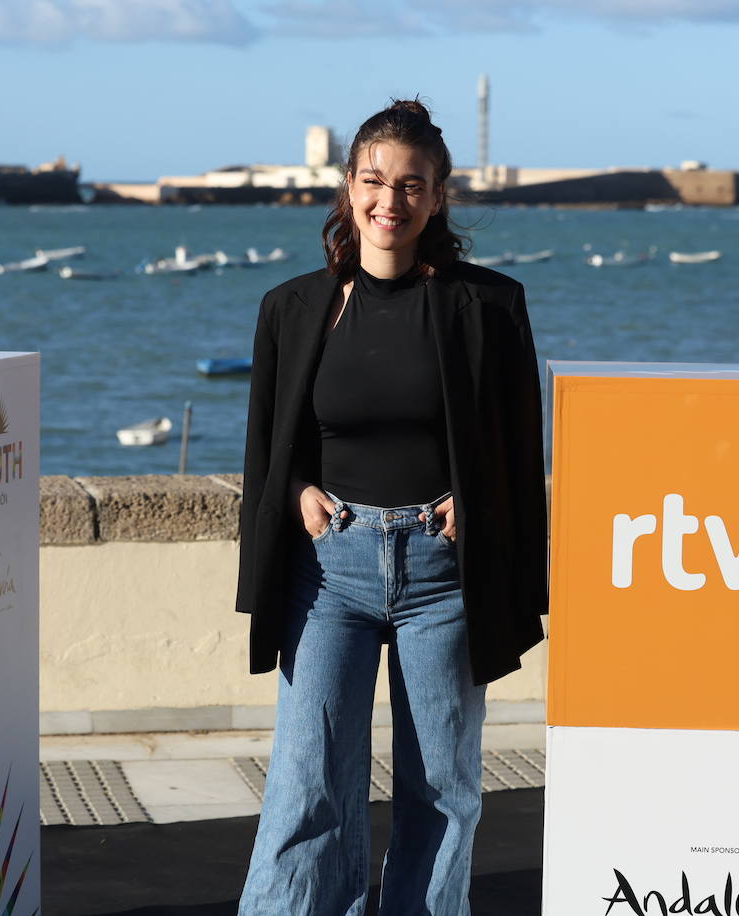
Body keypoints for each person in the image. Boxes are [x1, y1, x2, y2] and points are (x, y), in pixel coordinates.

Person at [235, 98, 548, 915]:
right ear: (348, 187)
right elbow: (274, 445)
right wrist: (299, 488)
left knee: (442, 790)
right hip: (328, 572)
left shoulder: (489, 307)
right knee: (308, 789)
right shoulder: (293, 308)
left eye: (413, 185)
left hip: (444, 577)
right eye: (375, 180)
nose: (392, 201)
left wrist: (478, 505)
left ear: (438, 195)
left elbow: (519, 451)